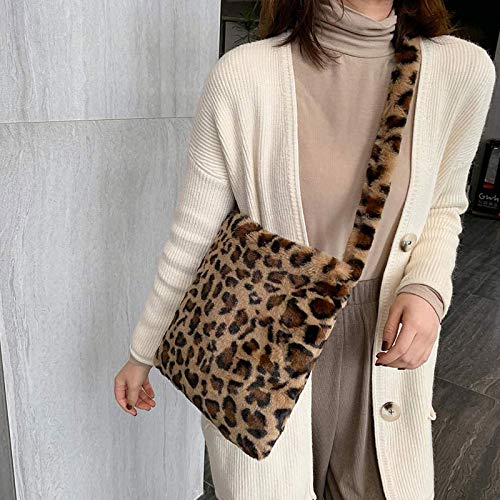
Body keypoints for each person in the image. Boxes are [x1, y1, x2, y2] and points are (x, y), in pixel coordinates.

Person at [114, 0, 496, 498]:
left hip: (380, 335)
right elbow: (194, 234)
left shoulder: (460, 70)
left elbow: (444, 204)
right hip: (266, 347)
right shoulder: (244, 76)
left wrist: (426, 287)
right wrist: (142, 352)